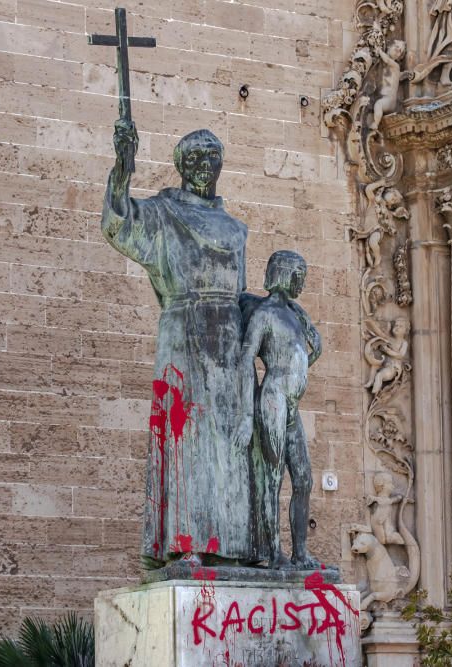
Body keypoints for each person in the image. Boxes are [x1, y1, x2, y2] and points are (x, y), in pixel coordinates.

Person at [102, 120, 253, 569]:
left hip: (227, 340)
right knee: (185, 435)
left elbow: (242, 295)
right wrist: (122, 170)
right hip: (184, 329)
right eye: (194, 159)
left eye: (212, 159)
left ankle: (230, 546)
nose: (204, 166)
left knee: (228, 444)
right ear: (181, 166)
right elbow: (118, 224)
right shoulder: (163, 213)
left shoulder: (236, 229)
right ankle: (184, 542)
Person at [234, 251, 322, 569]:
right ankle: (273, 552)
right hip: (272, 398)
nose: (303, 281)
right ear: (286, 275)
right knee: (272, 478)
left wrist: (306, 354)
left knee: (304, 479)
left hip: (291, 403)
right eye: (300, 275)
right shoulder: (264, 313)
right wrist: (246, 413)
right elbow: (247, 359)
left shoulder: (294, 313)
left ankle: (300, 552)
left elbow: (311, 349)